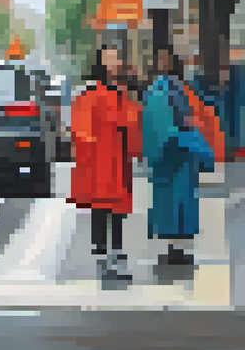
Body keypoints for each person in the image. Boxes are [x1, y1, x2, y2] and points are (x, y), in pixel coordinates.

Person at [143, 47, 224, 266]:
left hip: (181, 154)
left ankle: (179, 249)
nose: (163, 63)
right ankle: (173, 249)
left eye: (166, 59)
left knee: (182, 205)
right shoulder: (159, 90)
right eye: (160, 59)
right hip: (170, 156)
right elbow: (154, 123)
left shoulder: (179, 89)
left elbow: (196, 116)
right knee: (171, 206)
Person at [69, 45, 142, 279]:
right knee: (101, 208)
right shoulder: (91, 92)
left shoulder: (123, 91)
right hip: (100, 161)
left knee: (118, 210)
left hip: (119, 160)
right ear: (100, 63)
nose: (113, 63)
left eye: (116, 58)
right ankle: (103, 258)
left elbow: (132, 121)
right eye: (108, 58)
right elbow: (82, 128)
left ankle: (117, 254)